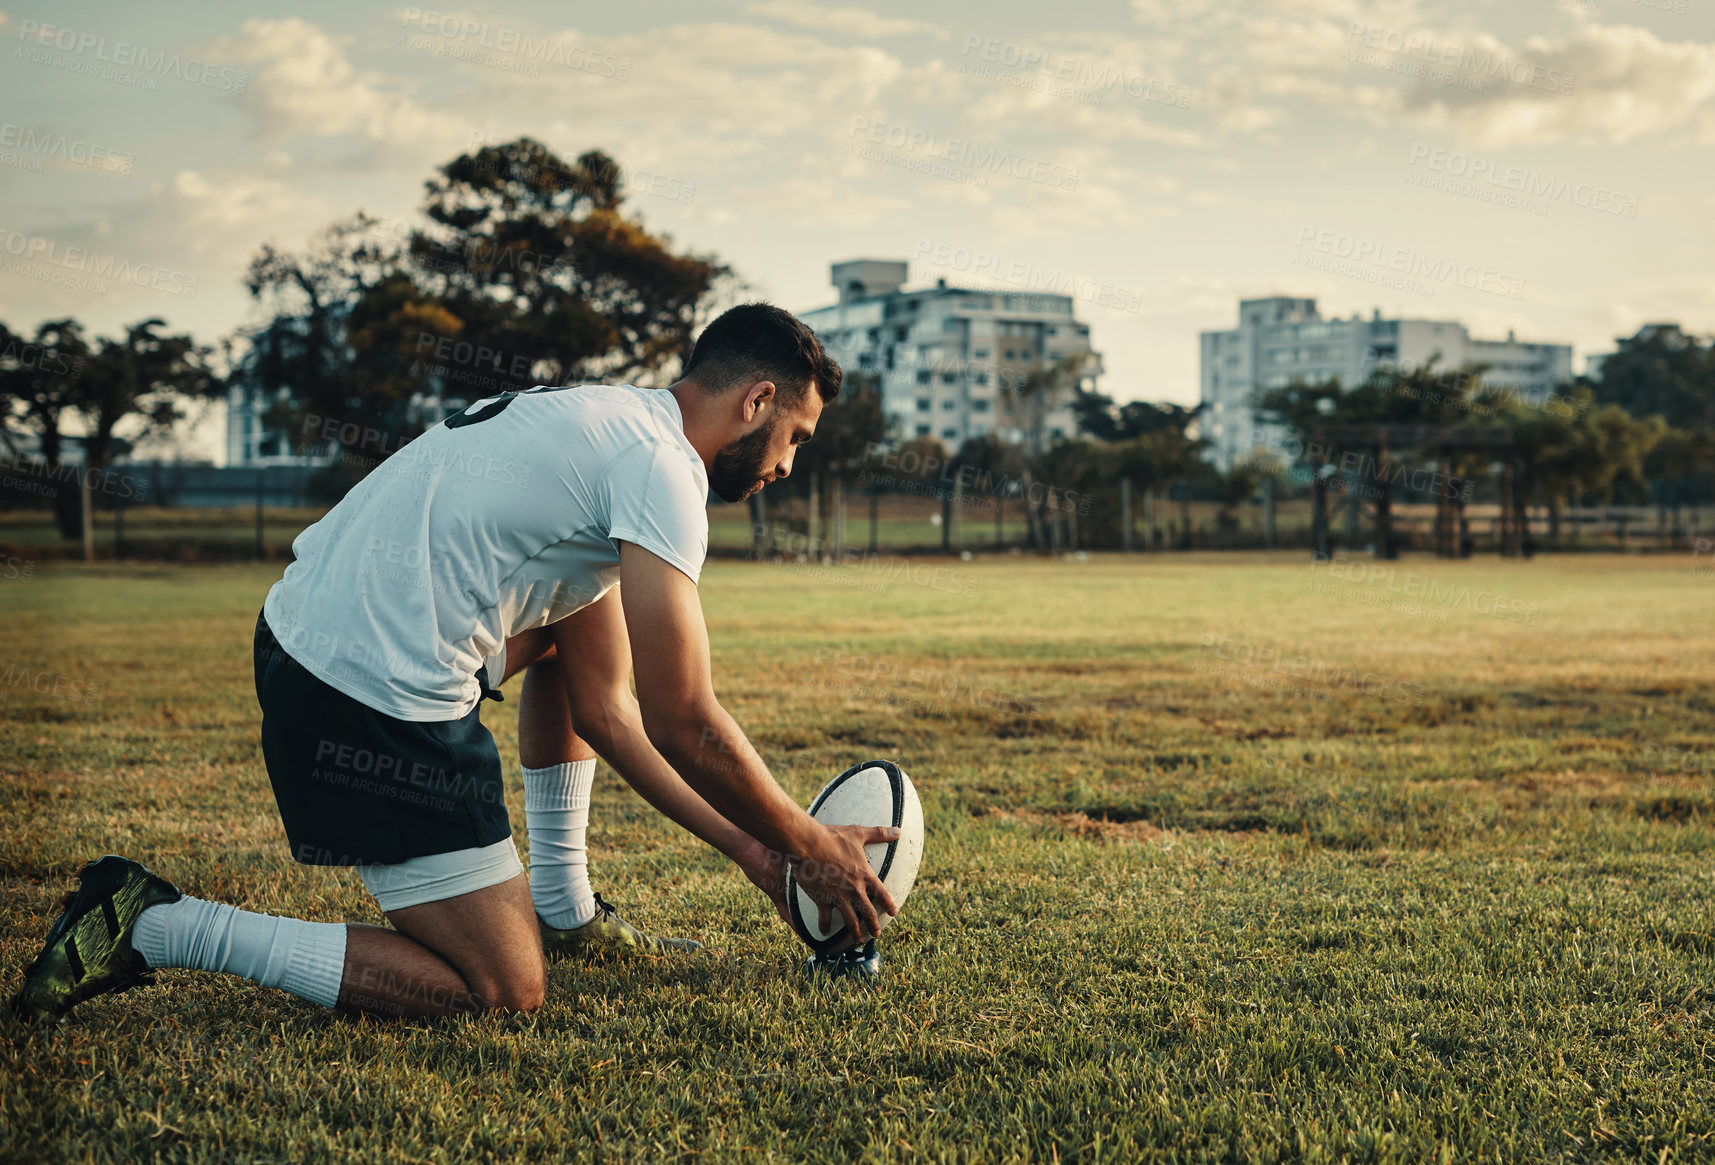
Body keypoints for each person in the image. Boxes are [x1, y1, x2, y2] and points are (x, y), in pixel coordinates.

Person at [13, 303, 897, 1021]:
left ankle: (565, 905)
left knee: (559, 632)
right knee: (501, 991)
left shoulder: (601, 420)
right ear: (757, 399)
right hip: (366, 693)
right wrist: (808, 844)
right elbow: (684, 717)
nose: (788, 462)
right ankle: (154, 923)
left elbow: (605, 709)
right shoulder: (662, 469)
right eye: (797, 435)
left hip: (301, 637)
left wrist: (753, 851)